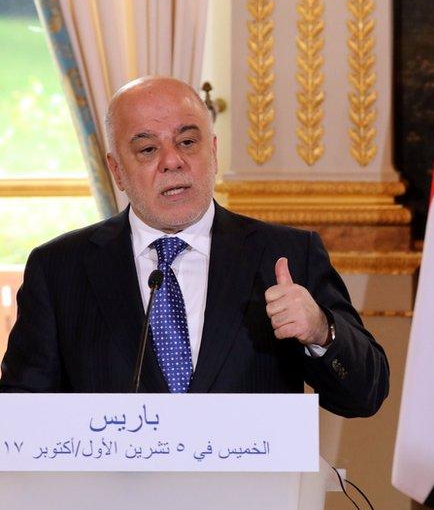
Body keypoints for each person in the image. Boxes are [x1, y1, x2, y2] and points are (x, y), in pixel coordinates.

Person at [0, 76, 389, 417]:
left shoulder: (285, 254)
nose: (173, 161)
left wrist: (321, 331)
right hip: (112, 499)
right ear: (117, 170)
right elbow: (21, 416)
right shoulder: (59, 269)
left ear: (214, 151)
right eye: (148, 149)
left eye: (188, 141)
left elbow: (365, 395)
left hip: (247, 499)